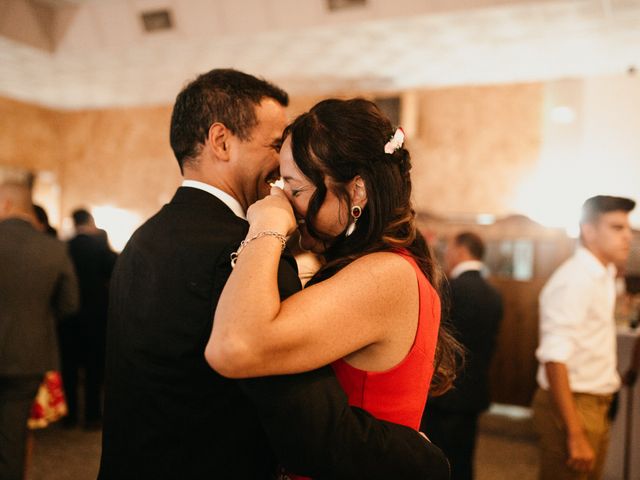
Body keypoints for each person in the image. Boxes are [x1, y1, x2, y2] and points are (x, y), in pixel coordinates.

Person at [98, 69, 450, 479]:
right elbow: (312, 434)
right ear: (221, 141)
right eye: (273, 146)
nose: (281, 191)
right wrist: (424, 459)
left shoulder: (144, 238)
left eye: (295, 188)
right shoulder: (248, 250)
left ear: (356, 192)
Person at [206, 98, 461, 477]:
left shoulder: (385, 275)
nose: (286, 204)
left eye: (294, 189)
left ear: (357, 192)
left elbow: (233, 347)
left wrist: (266, 225)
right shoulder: (388, 267)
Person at [532, 195, 636, 480]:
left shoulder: (603, 274)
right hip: (572, 403)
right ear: (589, 231)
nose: (628, 236)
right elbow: (554, 359)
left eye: (628, 228)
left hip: (595, 400)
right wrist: (575, 433)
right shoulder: (574, 280)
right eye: (617, 227)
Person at [0, 180, 79, 480]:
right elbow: (70, 303)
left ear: (5, 204)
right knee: (13, 439)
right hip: (28, 357)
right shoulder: (54, 248)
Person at [421, 231, 503, 480]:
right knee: (464, 460)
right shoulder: (494, 295)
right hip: (475, 390)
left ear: (460, 251)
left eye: (448, 249)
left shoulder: (450, 289)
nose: (446, 255)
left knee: (439, 461)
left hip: (444, 393)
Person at [59, 208, 116, 428]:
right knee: (94, 367)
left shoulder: (65, 247)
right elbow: (115, 270)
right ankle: (92, 416)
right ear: (90, 221)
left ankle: (70, 415)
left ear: (73, 223)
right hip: (96, 316)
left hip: (69, 317)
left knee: (69, 367)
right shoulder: (100, 247)